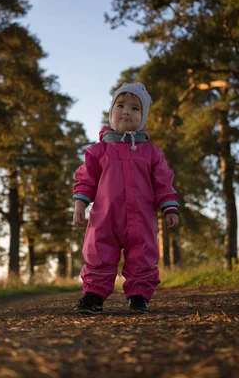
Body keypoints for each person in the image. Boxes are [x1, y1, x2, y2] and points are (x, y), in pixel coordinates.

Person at [72, 82, 179, 314]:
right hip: (105, 217)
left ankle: (139, 295)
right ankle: (94, 295)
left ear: (142, 117)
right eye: (120, 105)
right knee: (99, 251)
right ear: (111, 113)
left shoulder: (151, 153)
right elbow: (86, 179)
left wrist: (169, 207)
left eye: (134, 108)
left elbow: (163, 182)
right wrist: (80, 204)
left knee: (143, 253)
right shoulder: (99, 151)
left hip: (141, 216)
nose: (126, 112)